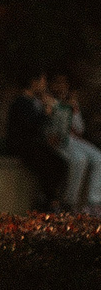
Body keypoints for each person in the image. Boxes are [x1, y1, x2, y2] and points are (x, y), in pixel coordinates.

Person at [6, 73, 69, 210]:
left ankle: (53, 199)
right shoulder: (21, 102)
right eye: (42, 82)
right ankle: (48, 201)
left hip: (34, 144)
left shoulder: (34, 101)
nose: (44, 86)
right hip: (22, 145)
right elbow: (30, 126)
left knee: (60, 163)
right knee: (48, 164)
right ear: (33, 82)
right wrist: (45, 113)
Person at [48, 75, 101, 211]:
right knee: (79, 160)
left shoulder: (71, 102)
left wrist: (74, 109)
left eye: (64, 83)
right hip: (58, 140)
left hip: (74, 140)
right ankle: (69, 202)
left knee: (98, 157)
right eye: (58, 83)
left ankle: (93, 202)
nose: (61, 87)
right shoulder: (49, 101)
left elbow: (79, 129)